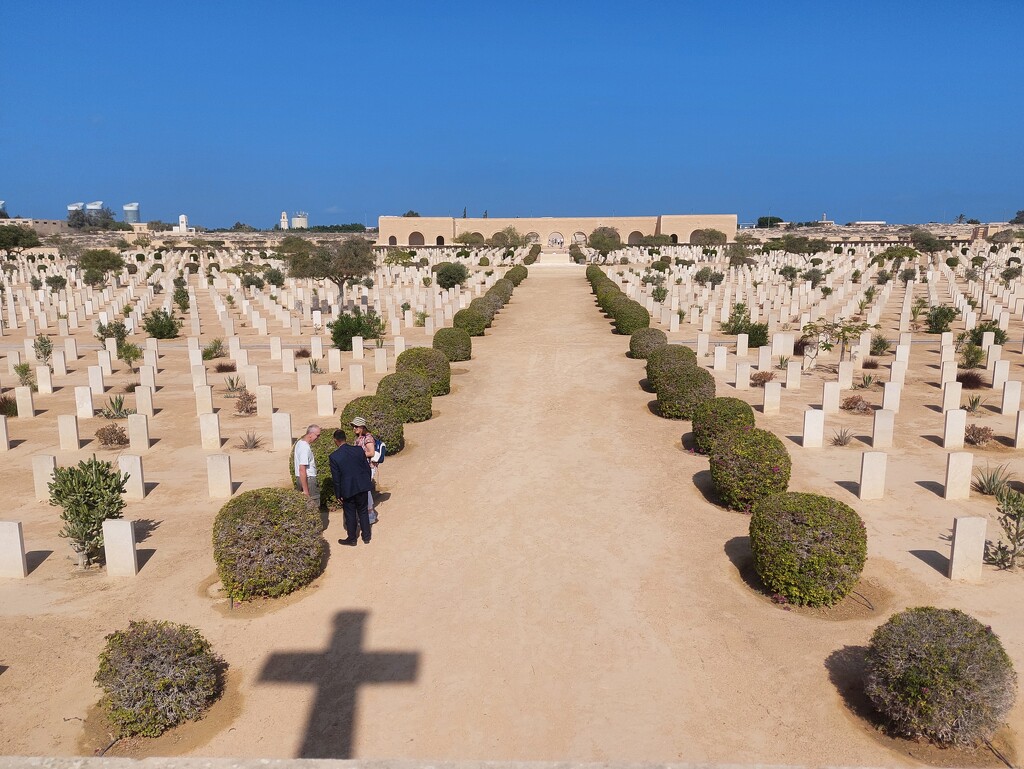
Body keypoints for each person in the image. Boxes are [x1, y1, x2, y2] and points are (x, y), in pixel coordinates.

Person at [329, 429, 373, 545]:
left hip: (347, 489)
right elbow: (367, 468)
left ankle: (352, 539)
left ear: (335, 440)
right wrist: (366, 482)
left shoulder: (334, 457)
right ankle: (366, 537)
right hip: (362, 486)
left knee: (350, 514)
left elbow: (336, 479)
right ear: (345, 438)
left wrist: (338, 494)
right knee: (363, 511)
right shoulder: (358, 450)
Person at [351, 416, 378, 523]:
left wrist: (358, 455)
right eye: (353, 426)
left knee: (366, 490)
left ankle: (370, 514)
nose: (354, 428)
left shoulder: (368, 438)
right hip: (363, 467)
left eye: (356, 426)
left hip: (369, 467)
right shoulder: (359, 438)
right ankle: (368, 513)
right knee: (365, 490)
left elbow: (371, 453)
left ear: (362, 427)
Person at [293, 424, 322, 509]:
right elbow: (302, 469)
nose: (318, 437)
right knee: (314, 506)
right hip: (308, 480)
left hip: (301, 479)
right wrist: (306, 490)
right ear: (311, 434)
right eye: (317, 435)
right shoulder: (305, 448)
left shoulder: (299, 443)